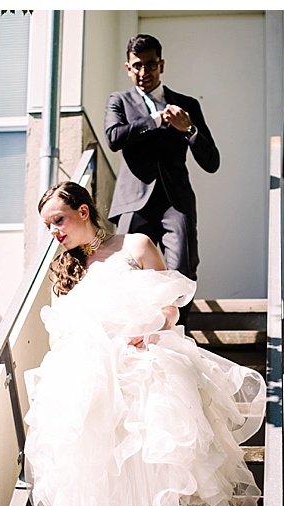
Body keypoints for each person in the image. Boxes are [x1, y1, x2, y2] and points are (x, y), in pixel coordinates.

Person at [22, 181, 263, 506]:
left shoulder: (135, 245)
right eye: (48, 225)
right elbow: (66, 335)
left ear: (84, 210)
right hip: (90, 384)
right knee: (94, 482)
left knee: (134, 477)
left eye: (59, 220)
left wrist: (152, 327)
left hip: (141, 370)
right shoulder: (64, 269)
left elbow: (172, 309)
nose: (54, 232)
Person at [105, 34, 220, 326]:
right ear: (128, 68)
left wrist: (189, 128)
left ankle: (177, 333)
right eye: (137, 66)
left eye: (151, 65)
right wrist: (156, 120)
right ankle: (133, 333)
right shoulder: (119, 101)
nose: (144, 73)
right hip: (134, 200)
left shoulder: (187, 104)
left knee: (183, 268)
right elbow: (114, 138)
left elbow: (211, 161)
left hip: (175, 201)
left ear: (162, 65)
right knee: (125, 270)